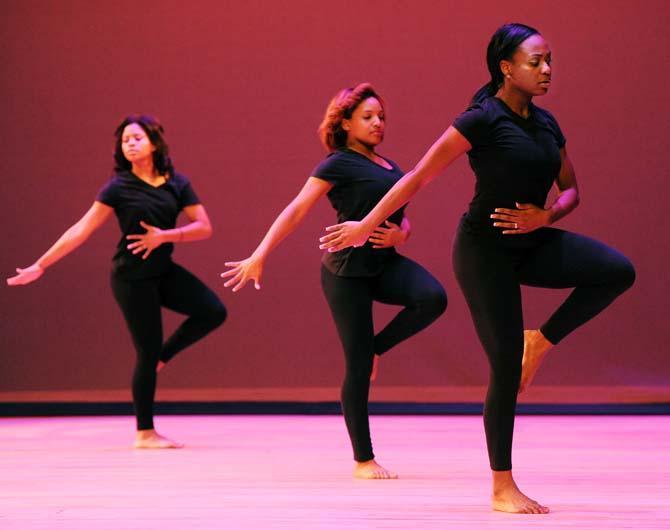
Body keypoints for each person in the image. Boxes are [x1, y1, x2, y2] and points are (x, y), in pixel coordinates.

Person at [318, 24, 635, 513]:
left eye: (549, 60)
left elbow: (571, 188)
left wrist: (547, 216)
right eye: (535, 62)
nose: (547, 69)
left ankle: (541, 339)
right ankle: (502, 486)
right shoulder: (482, 119)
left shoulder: (548, 124)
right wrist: (365, 225)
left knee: (617, 271)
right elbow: (419, 176)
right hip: (483, 251)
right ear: (506, 68)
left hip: (529, 240)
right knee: (505, 370)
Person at [221, 84, 447, 479]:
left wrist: (400, 235)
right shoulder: (337, 163)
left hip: (384, 263)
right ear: (345, 123)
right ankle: (364, 459)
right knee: (356, 369)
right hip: (346, 276)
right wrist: (260, 254)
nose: (378, 123)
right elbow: (296, 210)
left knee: (433, 297)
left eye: (381, 117)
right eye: (368, 117)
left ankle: (376, 348)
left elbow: (401, 216)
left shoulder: (389, 166)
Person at [7, 115, 227, 449]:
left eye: (137, 138)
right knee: (145, 350)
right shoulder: (118, 187)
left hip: (162, 270)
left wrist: (166, 236)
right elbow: (80, 229)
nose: (131, 144)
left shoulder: (176, 183)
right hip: (130, 278)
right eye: (125, 140)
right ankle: (145, 433)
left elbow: (204, 227)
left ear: (154, 143)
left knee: (213, 311)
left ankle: (161, 356)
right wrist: (41, 265)